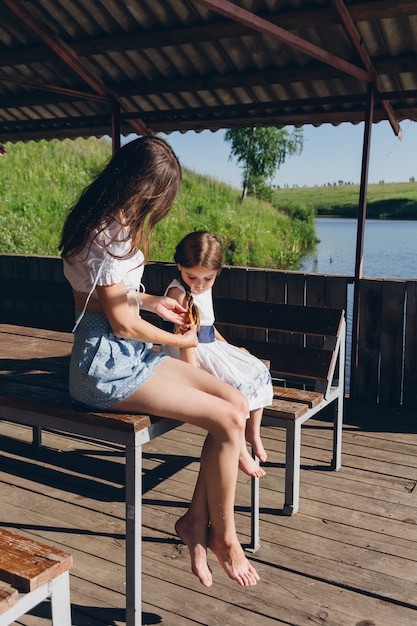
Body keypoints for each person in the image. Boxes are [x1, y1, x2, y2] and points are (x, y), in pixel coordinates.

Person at [59, 136, 259, 588]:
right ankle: (225, 537)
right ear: (142, 186)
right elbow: (121, 324)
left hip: (126, 353)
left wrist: (151, 301)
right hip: (103, 366)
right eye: (159, 195)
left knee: (236, 401)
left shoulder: (101, 220)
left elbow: (108, 296)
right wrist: (174, 332)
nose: (159, 205)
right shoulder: (109, 230)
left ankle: (194, 522)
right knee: (228, 420)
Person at [163, 231, 273, 478]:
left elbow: (208, 328)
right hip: (189, 353)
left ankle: (252, 432)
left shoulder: (202, 289)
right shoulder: (178, 293)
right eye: (192, 276)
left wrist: (230, 348)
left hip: (209, 345)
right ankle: (241, 451)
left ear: (217, 273)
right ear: (179, 266)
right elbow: (186, 341)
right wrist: (193, 376)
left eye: (208, 278)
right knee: (234, 387)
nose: (199, 284)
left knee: (257, 369)